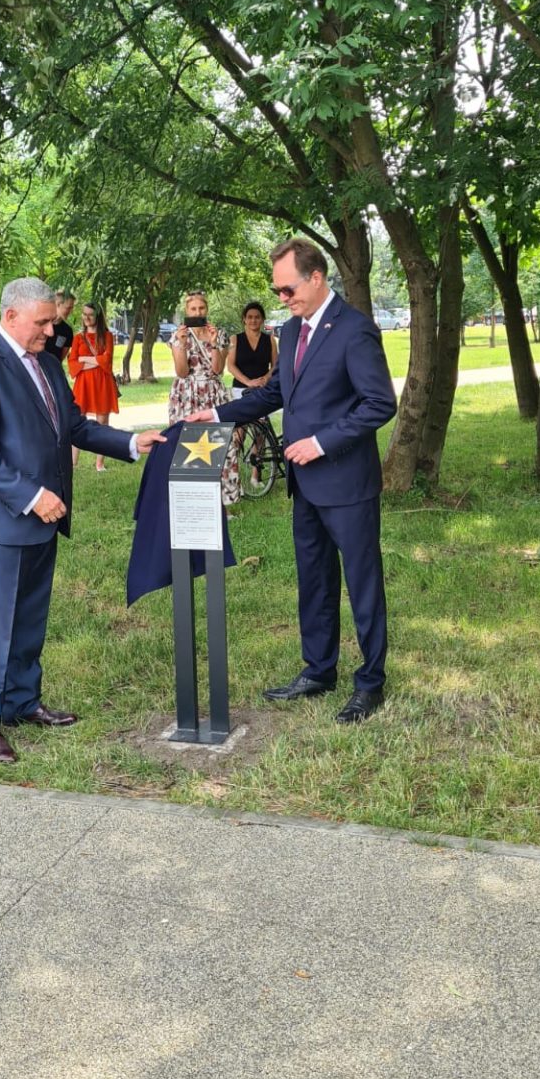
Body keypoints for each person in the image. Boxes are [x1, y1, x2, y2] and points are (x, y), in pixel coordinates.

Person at [0, 277, 165, 763]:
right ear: (11, 316)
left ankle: (23, 701)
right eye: (43, 322)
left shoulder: (46, 362)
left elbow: (75, 426)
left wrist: (131, 443)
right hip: (4, 518)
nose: (52, 331)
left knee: (30, 618)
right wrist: (32, 497)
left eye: (52, 321)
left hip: (45, 514)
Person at [190, 238, 397, 723]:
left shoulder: (355, 330)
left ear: (316, 278)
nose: (281, 299)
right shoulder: (291, 329)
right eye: (277, 291)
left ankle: (370, 682)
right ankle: (319, 669)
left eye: (288, 290)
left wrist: (321, 443)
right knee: (314, 580)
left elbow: (379, 403)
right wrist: (217, 414)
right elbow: (275, 393)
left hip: (347, 483)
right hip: (304, 485)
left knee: (362, 583)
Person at [169, 290, 240, 505]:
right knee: (188, 447)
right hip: (186, 396)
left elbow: (218, 370)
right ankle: (192, 502)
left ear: (207, 309)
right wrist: (182, 344)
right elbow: (182, 372)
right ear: (187, 311)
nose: (197, 312)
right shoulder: (178, 336)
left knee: (220, 445)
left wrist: (214, 343)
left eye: (201, 308)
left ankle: (223, 502)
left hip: (213, 393)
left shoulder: (219, 334)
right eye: (193, 309)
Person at [68, 301, 119, 472]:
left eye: (90, 314)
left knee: (102, 421)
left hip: (103, 382)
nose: (86, 318)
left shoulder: (107, 336)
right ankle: (73, 462)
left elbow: (107, 361)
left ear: (98, 316)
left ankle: (99, 463)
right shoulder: (78, 338)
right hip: (83, 384)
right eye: (84, 314)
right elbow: (72, 363)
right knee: (77, 421)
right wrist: (96, 361)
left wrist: (84, 359)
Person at [226, 301, 278, 392]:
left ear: (262, 319)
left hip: (264, 389)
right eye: (250, 317)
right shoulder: (234, 339)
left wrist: (265, 379)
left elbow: (275, 366)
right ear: (244, 319)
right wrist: (248, 382)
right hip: (240, 389)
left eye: (257, 317)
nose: (253, 320)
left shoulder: (270, 340)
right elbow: (230, 365)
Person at [51, 290, 75, 366]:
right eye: (68, 308)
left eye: (72, 308)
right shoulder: (41, 324)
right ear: (58, 304)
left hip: (54, 368)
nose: (71, 311)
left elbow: (61, 358)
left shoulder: (67, 331)